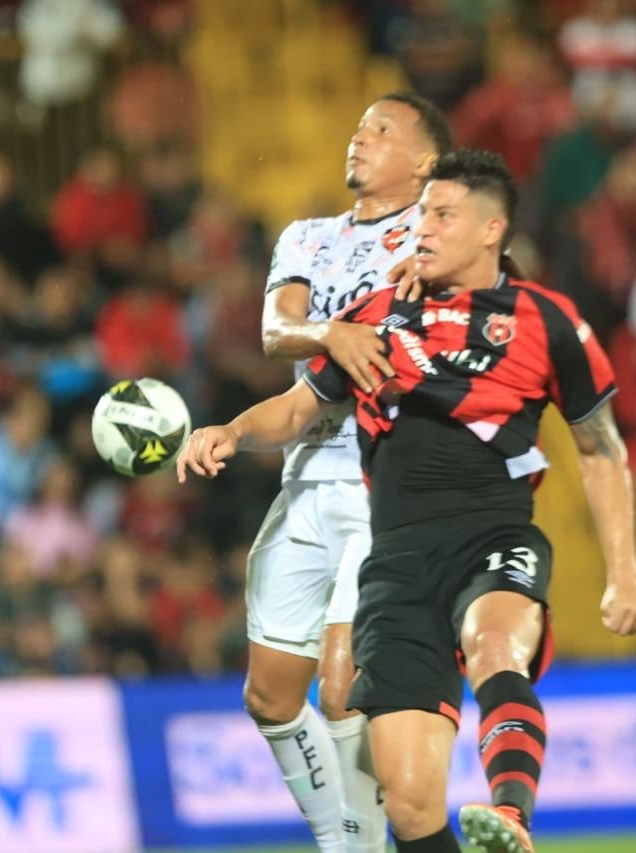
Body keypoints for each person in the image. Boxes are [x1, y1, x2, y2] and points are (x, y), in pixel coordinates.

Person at [178, 150, 636, 853]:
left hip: (490, 533)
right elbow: (295, 408)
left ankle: (511, 816)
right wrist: (231, 430)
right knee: (408, 802)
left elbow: (601, 448)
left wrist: (624, 572)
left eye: (442, 215)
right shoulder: (376, 316)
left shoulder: (546, 322)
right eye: (422, 212)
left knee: (495, 645)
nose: (421, 228)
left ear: (492, 230)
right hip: (394, 559)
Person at [248, 90, 451, 852]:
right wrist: (333, 331)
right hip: (304, 473)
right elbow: (277, 332)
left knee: (343, 689)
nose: (358, 138)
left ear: (424, 162)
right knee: (270, 696)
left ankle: (352, 847)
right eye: (360, 125)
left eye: (382, 129)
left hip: (383, 484)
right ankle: (349, 838)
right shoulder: (306, 236)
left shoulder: (435, 236)